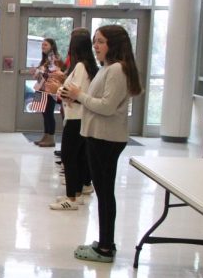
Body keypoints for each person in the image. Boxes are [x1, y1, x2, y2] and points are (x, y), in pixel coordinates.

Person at [60, 25, 142, 262]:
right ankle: (105, 242)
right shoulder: (111, 68)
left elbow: (106, 107)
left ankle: (106, 247)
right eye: (95, 41)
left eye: (101, 42)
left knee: (105, 194)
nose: (96, 46)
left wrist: (79, 95)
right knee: (104, 193)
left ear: (114, 44)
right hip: (100, 136)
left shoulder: (117, 69)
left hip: (105, 138)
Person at [45, 28, 98, 210]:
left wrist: (57, 89)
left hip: (76, 118)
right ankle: (74, 193)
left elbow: (74, 93)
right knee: (76, 157)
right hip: (77, 116)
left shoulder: (81, 67)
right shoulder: (84, 66)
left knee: (69, 157)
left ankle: (72, 199)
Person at [32, 38, 60, 147]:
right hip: (41, 88)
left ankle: (51, 138)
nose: (43, 47)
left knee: (49, 113)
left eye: (46, 45)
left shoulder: (53, 58)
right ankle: (46, 135)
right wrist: (37, 72)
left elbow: (52, 73)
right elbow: (42, 74)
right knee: (44, 113)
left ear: (52, 46)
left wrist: (41, 71)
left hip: (49, 90)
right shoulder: (45, 59)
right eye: (42, 45)